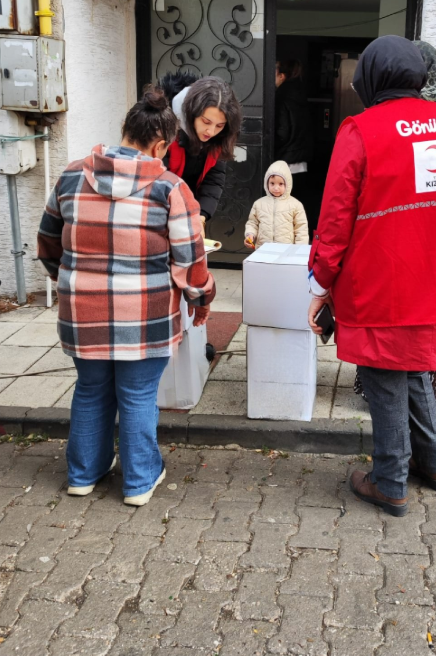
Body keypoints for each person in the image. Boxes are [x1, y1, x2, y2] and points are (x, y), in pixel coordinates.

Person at [308, 35, 436, 517]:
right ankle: (433, 464)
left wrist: (320, 282)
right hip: (435, 277)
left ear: (372, 78)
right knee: (415, 368)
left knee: (383, 376)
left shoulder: (362, 130)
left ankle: (390, 481)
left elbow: (336, 218)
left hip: (381, 281)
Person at [37, 88, 216, 506]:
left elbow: (48, 245)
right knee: (137, 395)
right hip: (146, 316)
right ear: (160, 145)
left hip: (82, 314)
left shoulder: (70, 175)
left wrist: (74, 282)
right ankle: (138, 481)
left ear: (124, 131)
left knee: (91, 389)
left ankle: (83, 475)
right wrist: (200, 299)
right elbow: (191, 263)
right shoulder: (170, 189)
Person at [353, 40, 436, 407]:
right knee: (431, 325)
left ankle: (399, 404)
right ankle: (433, 394)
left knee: (398, 332)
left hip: (407, 236)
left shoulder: (417, 115)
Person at [160, 73, 242, 236]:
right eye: (206, 122)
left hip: (189, 211)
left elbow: (214, 177)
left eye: (219, 125)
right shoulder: (165, 128)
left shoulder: (219, 138)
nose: (211, 131)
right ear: (191, 113)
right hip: (161, 213)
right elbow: (158, 183)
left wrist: (201, 215)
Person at [244, 160, 309, 249]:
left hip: (286, 251)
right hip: (263, 250)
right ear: (266, 183)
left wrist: (300, 250)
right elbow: (252, 223)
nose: (276, 188)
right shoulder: (259, 204)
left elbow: (301, 229)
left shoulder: (296, 205)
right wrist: (250, 234)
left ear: (288, 184)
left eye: (281, 184)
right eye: (272, 183)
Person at [275, 59, 314, 197]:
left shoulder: (281, 97)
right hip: (300, 159)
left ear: (282, 76)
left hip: (285, 159)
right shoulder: (300, 94)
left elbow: (282, 132)